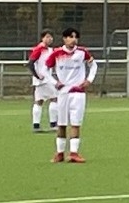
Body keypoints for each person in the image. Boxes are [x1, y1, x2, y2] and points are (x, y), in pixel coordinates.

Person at [46, 28, 98, 163]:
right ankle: (60, 153)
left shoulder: (82, 52)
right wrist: (54, 82)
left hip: (78, 93)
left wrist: (89, 80)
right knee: (61, 124)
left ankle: (74, 153)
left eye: (75, 37)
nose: (73, 40)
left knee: (76, 122)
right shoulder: (57, 53)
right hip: (63, 93)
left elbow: (93, 65)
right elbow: (45, 70)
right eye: (70, 37)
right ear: (64, 39)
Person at [27, 30, 56, 132]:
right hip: (44, 79)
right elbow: (30, 63)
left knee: (39, 101)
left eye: (51, 37)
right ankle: (53, 124)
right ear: (42, 38)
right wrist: (37, 75)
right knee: (55, 98)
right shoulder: (39, 49)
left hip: (42, 80)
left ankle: (36, 125)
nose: (49, 39)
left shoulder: (49, 50)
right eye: (47, 37)